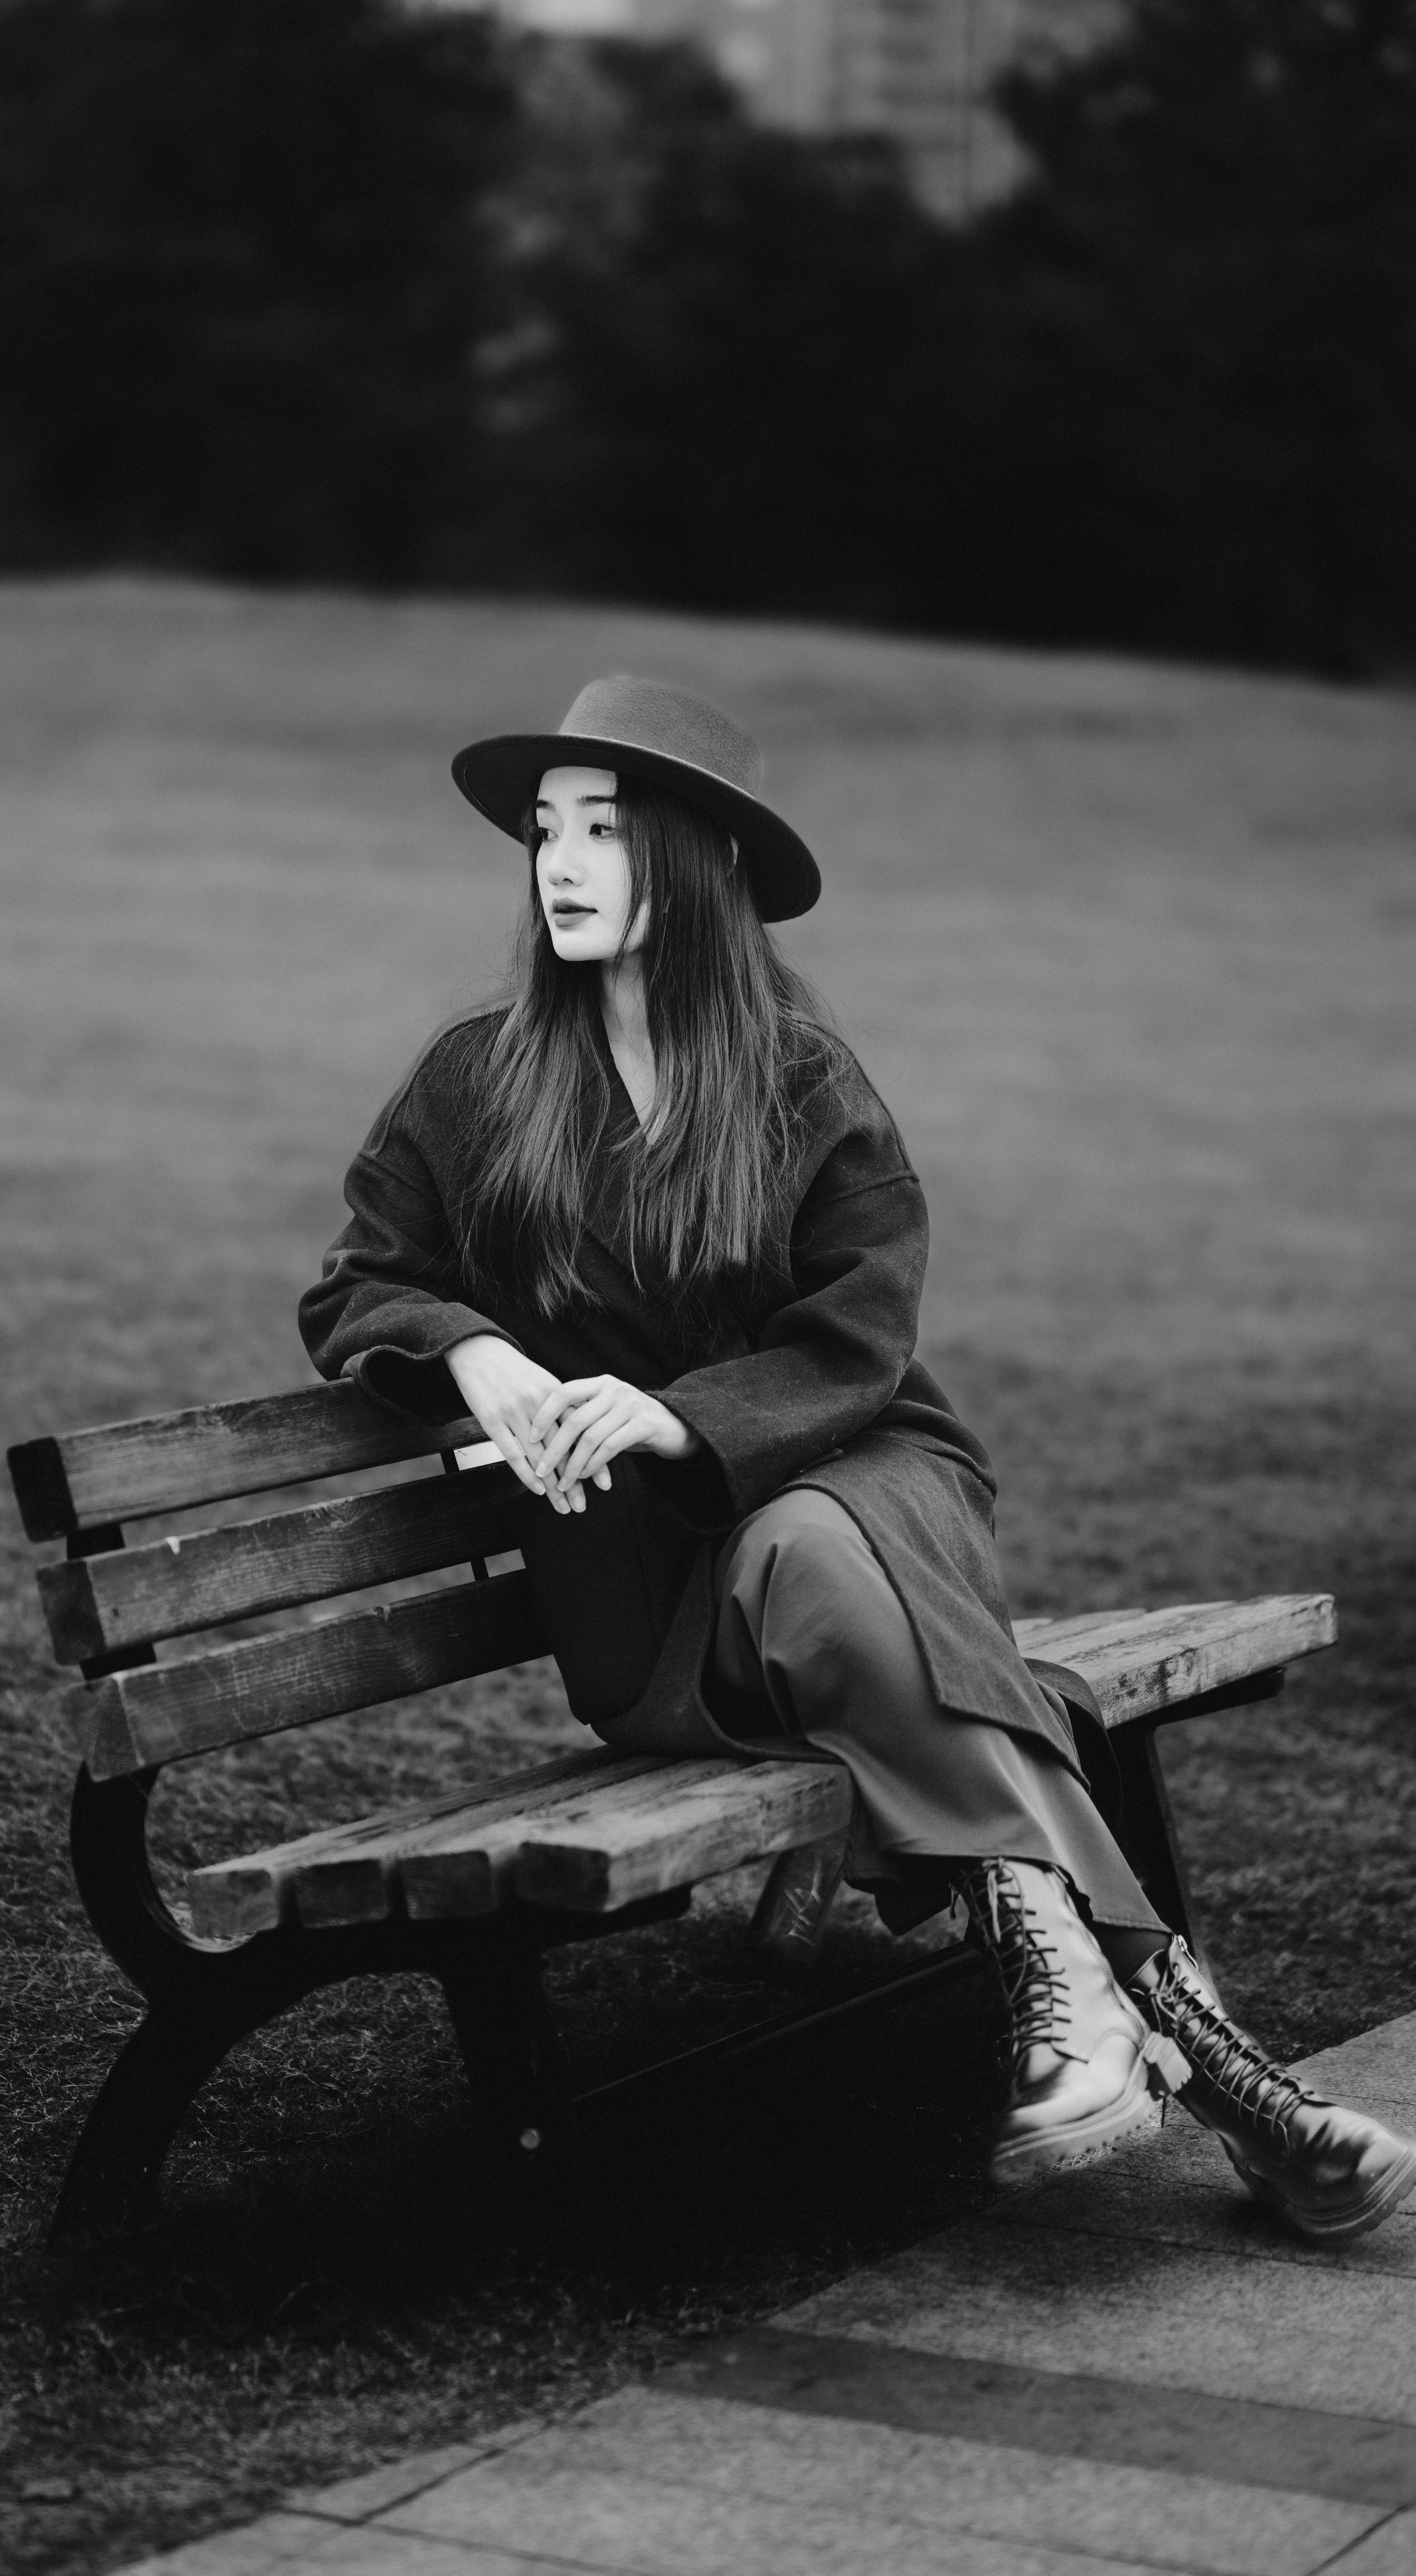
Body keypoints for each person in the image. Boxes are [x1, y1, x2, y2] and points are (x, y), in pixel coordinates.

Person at [299, 673, 1416, 2238]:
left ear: (698, 860)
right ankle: (1219, 2069)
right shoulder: (474, 1084)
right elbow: (355, 1283)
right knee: (834, 1575)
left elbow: (862, 1335)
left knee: (820, 1537)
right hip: (659, 1608)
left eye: (603, 830)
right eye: (546, 830)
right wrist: (480, 1354)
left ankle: (1096, 2023)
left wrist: (684, 1414)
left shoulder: (802, 1082)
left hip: (877, 1481)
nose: (559, 861)